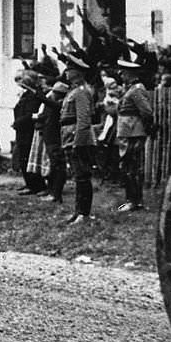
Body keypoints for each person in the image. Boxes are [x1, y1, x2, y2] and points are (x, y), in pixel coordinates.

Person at [60, 54, 97, 224]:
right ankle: (78, 211)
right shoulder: (74, 90)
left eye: (69, 69)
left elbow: (84, 119)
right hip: (70, 135)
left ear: (78, 72)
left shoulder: (81, 92)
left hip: (78, 138)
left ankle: (84, 213)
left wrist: (78, 142)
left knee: (82, 175)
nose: (66, 72)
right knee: (77, 175)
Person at [115, 54, 154, 212]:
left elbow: (147, 112)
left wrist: (144, 128)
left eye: (123, 73)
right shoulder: (131, 89)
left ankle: (134, 201)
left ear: (130, 74)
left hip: (133, 132)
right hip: (128, 132)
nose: (122, 76)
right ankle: (131, 199)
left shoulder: (137, 89)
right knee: (128, 167)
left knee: (132, 167)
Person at [12, 70, 45, 195]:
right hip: (22, 130)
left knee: (27, 157)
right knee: (23, 157)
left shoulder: (33, 96)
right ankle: (29, 183)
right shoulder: (27, 95)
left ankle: (34, 185)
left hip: (27, 130)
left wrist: (18, 122)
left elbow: (30, 114)